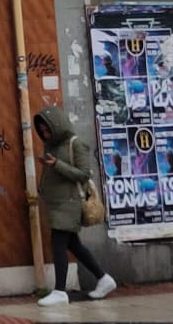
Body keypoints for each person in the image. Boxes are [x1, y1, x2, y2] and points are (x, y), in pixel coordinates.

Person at [34, 105, 116, 307]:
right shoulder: (50, 146)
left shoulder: (75, 144)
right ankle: (104, 279)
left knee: (58, 245)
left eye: (48, 129)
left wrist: (56, 165)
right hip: (56, 204)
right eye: (42, 130)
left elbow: (83, 173)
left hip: (69, 204)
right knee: (74, 245)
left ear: (57, 125)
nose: (45, 133)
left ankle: (60, 291)